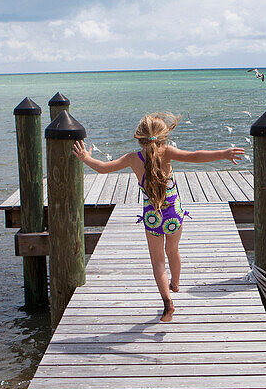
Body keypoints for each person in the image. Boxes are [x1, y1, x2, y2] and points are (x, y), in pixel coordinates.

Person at [72, 113, 245, 322]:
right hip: (173, 215)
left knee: (157, 262)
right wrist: (224, 153)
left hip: (152, 217)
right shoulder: (168, 152)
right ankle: (177, 284)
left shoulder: (132, 159)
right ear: (163, 137)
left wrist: (86, 158)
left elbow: (103, 169)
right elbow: (196, 156)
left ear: (139, 137)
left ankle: (167, 303)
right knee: (173, 250)